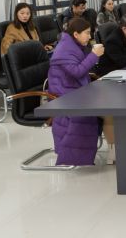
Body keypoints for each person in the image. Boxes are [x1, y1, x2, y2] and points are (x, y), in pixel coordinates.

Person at [48, 18, 105, 166]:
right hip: (63, 94)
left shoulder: (73, 45)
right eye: (87, 33)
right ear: (75, 34)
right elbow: (77, 72)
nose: (90, 37)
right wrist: (94, 55)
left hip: (73, 90)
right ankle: (73, 157)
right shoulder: (64, 50)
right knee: (85, 114)